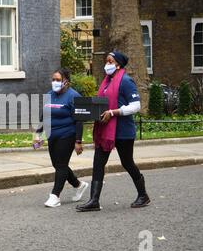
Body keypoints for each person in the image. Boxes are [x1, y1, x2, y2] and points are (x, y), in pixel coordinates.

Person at [76, 51, 151, 212]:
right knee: (98, 163)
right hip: (105, 130)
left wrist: (114, 112)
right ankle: (94, 200)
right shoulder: (107, 81)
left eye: (110, 62)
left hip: (123, 131)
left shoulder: (125, 81)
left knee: (127, 163)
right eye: (106, 61)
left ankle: (143, 195)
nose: (107, 64)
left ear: (118, 65)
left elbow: (136, 106)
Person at [34, 68, 89, 208]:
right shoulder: (49, 94)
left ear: (66, 82)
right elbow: (44, 116)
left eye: (58, 80)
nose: (55, 82)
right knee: (57, 165)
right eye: (53, 79)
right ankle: (78, 185)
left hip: (68, 134)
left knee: (61, 165)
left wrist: (78, 141)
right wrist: (38, 134)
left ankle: (55, 196)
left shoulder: (74, 96)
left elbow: (79, 120)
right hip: (52, 135)